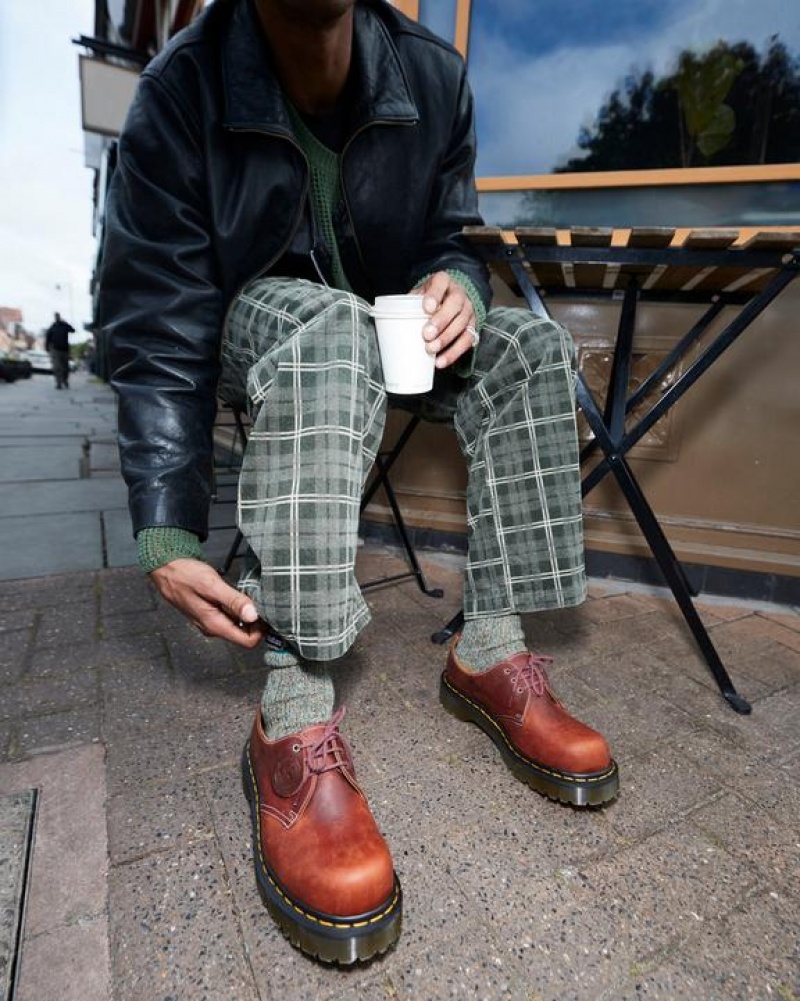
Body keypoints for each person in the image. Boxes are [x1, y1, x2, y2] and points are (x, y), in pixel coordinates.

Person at [100, 0, 619, 965]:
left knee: (530, 349)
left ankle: (490, 652)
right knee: (329, 333)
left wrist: (459, 285)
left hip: (386, 319)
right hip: (247, 322)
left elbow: (455, 237)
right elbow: (156, 323)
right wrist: (167, 531)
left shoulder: (434, 75)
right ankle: (293, 718)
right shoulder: (181, 91)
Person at [44, 312, 74, 389]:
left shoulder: (64, 326)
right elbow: (48, 337)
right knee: (57, 367)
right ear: (54, 317)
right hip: (55, 349)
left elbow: (72, 330)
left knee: (65, 367)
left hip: (65, 349)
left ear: (60, 317)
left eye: (58, 316)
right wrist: (47, 347)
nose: (57, 318)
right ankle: (58, 383)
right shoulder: (52, 327)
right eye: (56, 316)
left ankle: (65, 380)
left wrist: (66, 323)